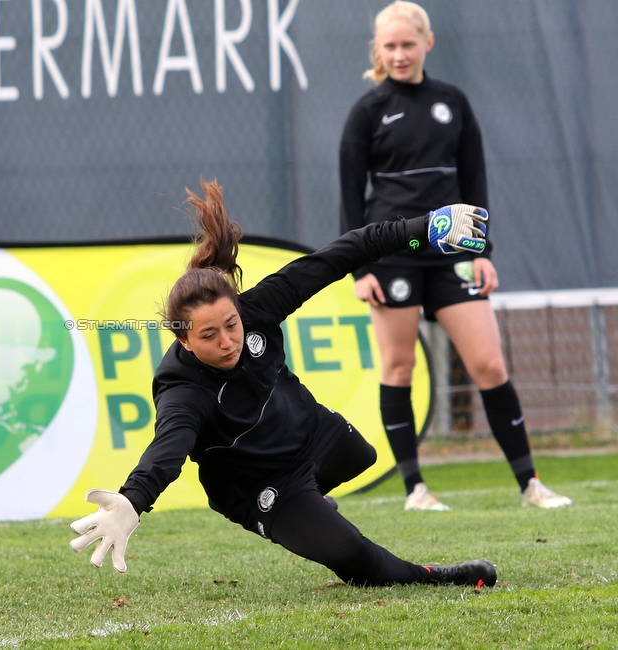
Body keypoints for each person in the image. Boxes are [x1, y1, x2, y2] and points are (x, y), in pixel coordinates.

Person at [69, 178, 497, 588]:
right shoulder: (183, 390)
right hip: (260, 484)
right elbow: (167, 450)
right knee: (352, 555)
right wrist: (132, 500)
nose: (227, 342)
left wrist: (422, 229)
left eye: (231, 325)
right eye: (208, 336)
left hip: (310, 433)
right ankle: (437, 576)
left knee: (359, 454)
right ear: (183, 338)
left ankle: (313, 509)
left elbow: (339, 256)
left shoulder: (259, 307)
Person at [338, 1, 571, 511]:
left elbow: (474, 180)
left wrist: (482, 250)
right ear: (378, 50)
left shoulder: (453, 102)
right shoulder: (367, 111)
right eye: (390, 46)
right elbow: (351, 195)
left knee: (488, 364)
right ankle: (416, 489)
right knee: (398, 367)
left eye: (407, 44)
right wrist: (361, 268)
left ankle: (531, 484)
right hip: (393, 255)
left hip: (452, 255)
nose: (399, 54)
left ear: (428, 43)